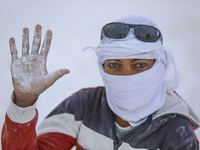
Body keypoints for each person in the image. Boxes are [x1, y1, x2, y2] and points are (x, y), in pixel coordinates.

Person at [1, 14, 200, 150]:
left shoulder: (176, 130)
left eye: (139, 65)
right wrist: (24, 101)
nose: (126, 75)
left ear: (159, 67)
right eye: (114, 65)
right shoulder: (84, 105)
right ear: (102, 67)